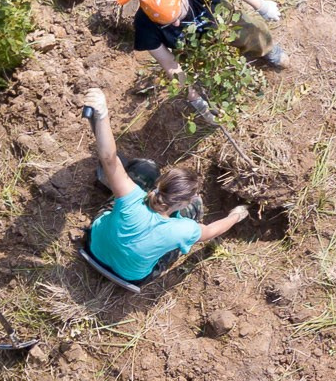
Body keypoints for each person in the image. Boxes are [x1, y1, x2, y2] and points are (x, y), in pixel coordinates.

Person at [81, 86, 249, 282]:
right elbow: (212, 231)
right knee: (197, 206)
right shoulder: (184, 229)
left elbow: (109, 158)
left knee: (145, 169)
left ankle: (108, 181)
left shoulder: (131, 198)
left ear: (160, 183)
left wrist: (102, 114)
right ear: (181, 203)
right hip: (129, 277)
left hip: (94, 247)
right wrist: (236, 215)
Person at [115, 0, 286, 95]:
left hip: (218, 18)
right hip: (192, 45)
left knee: (249, 31)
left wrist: (261, 5)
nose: (176, 24)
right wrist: (192, 95)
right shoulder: (145, 28)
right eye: (168, 24)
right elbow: (169, 63)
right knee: (204, 64)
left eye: (178, 16)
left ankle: (267, 49)